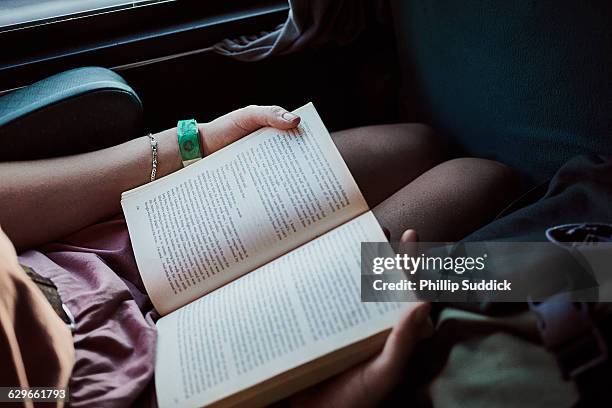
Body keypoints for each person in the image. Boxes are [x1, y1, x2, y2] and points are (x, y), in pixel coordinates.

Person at [0, 105, 518, 407]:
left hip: (100, 255)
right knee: (477, 181)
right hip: (169, 379)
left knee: (415, 144)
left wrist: (194, 143)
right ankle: (591, 272)